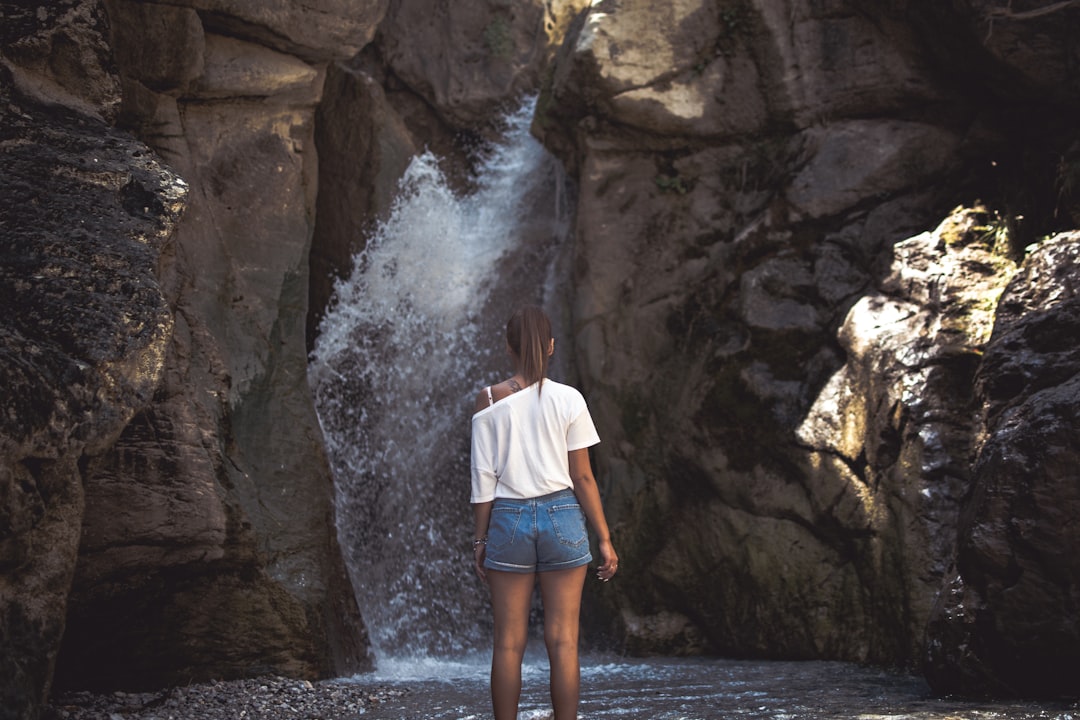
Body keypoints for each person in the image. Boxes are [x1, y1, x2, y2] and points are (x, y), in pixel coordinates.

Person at [470, 305, 618, 720]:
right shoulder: (569, 399)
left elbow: (483, 482)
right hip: (563, 517)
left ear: (508, 348)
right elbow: (583, 478)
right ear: (551, 347)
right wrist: (604, 537)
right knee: (564, 641)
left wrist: (480, 540)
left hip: (508, 519)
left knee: (508, 643)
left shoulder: (486, 400)